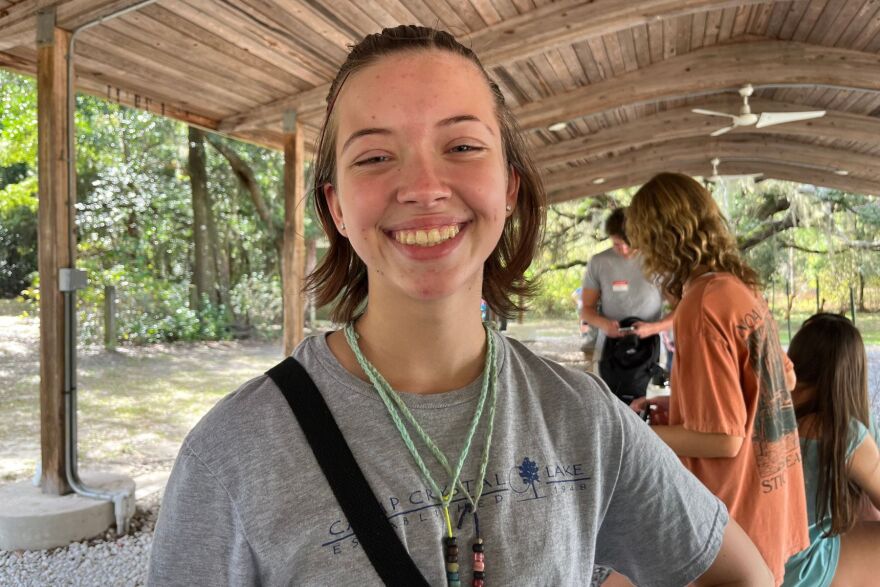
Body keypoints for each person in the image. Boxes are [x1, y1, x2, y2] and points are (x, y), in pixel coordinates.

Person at [149, 27, 772, 586]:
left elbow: (743, 574)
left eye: (463, 147)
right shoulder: (233, 454)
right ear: (338, 207)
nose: (423, 188)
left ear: (508, 190)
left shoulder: (581, 417)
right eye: (373, 156)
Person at [626, 172, 809, 586]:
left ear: (659, 238)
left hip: (731, 520)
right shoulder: (739, 290)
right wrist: (680, 407)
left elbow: (723, 440)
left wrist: (632, 434)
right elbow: (781, 383)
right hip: (770, 505)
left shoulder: (701, 305)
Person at [782, 313, 880, 587]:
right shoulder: (840, 432)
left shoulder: (772, 414)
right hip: (801, 571)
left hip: (759, 562)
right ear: (852, 373)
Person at [580, 208, 672, 372]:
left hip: (651, 343)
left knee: (649, 396)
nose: (623, 250)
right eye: (616, 244)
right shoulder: (599, 262)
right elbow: (586, 310)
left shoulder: (659, 261)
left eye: (629, 245)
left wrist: (653, 328)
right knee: (608, 394)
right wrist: (604, 325)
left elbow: (682, 310)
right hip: (611, 345)